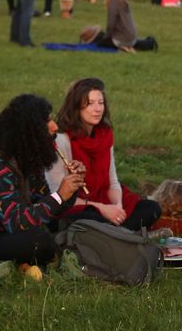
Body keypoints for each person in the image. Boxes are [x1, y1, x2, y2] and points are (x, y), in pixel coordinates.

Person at [0, 95, 85, 273]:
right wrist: (59, 196)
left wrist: (71, 189)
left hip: (12, 230)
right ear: (30, 129)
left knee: (77, 220)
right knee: (39, 241)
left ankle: (30, 260)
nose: (55, 127)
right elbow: (17, 222)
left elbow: (44, 204)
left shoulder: (27, 158)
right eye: (47, 120)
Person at [47, 78, 162, 231]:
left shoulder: (104, 136)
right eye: (90, 103)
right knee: (92, 219)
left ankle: (115, 235)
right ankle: (120, 235)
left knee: (151, 208)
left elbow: (112, 181)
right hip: (75, 205)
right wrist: (102, 209)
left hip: (102, 197)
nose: (97, 109)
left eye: (100, 103)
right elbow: (57, 193)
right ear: (76, 107)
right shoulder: (62, 139)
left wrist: (117, 207)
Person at [86, 0, 158, 52]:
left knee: (101, 43)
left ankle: (124, 48)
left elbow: (111, 25)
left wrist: (106, 38)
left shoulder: (113, 3)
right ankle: (139, 45)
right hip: (132, 37)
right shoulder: (124, 1)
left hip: (121, 39)